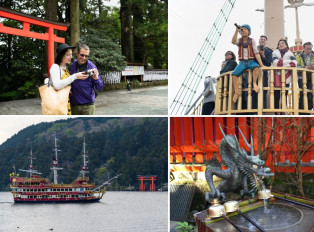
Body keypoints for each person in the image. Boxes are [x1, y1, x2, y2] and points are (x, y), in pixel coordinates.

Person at [49, 43, 89, 115]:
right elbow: (57, 85)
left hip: (66, 103)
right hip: (57, 105)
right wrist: (75, 76)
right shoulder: (55, 67)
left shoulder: (66, 69)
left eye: (71, 54)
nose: (70, 57)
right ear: (61, 56)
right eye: (68, 55)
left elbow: (64, 84)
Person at [231, 24, 264, 103]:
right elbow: (233, 41)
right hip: (242, 62)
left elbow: (256, 53)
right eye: (242, 29)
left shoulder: (252, 41)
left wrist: (261, 64)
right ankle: (236, 92)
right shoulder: (239, 40)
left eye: (245, 29)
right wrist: (236, 30)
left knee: (256, 67)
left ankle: (254, 83)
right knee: (234, 75)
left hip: (250, 61)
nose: (243, 30)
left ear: (249, 32)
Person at [69, 44, 104, 115]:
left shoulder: (92, 67)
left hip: (88, 106)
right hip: (74, 105)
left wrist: (96, 79)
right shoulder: (72, 66)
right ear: (77, 54)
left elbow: (100, 87)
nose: (84, 58)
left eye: (86, 56)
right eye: (82, 55)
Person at [272, 38, 297, 110]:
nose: (280, 44)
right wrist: (287, 62)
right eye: (279, 44)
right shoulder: (274, 53)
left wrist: (281, 62)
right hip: (277, 76)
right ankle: (276, 112)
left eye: (282, 43)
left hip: (287, 77)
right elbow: (275, 63)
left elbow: (294, 64)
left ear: (286, 45)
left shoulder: (290, 53)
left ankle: (284, 111)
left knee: (285, 94)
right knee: (276, 95)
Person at [296, 42, 314, 113]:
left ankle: (308, 111)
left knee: (310, 95)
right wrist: (305, 67)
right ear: (304, 48)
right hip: (301, 78)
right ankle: (301, 112)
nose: (309, 50)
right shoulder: (298, 56)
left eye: (310, 49)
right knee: (303, 94)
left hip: (311, 78)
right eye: (307, 49)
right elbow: (296, 66)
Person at [257, 35, 273, 109]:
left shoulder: (269, 51)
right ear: (259, 41)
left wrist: (263, 55)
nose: (263, 40)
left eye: (264, 39)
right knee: (253, 92)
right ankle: (253, 111)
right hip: (254, 73)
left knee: (263, 92)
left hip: (264, 74)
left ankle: (262, 110)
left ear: (266, 41)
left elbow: (269, 63)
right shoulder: (253, 49)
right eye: (261, 39)